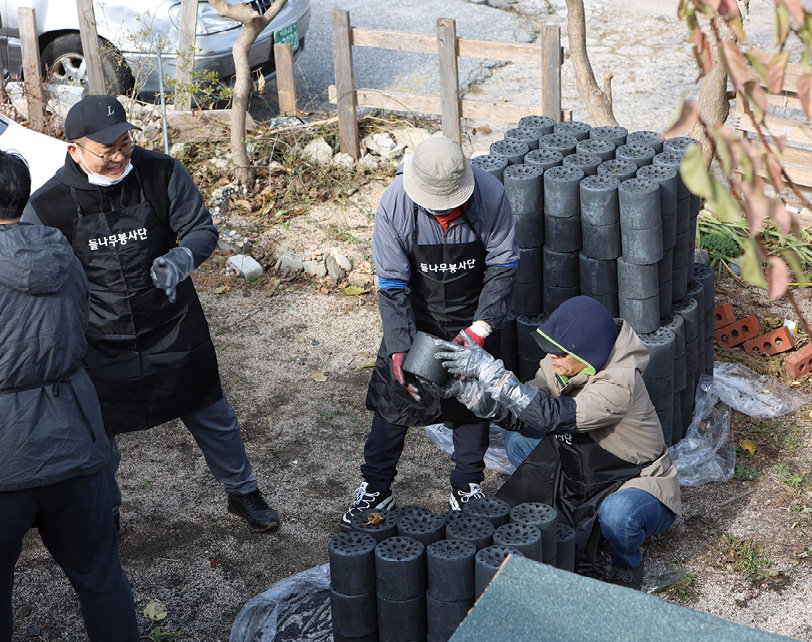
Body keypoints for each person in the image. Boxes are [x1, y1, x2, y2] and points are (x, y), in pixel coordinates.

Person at [21, 95, 278, 533]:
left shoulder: (161, 172)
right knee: (99, 435)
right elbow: (36, 274)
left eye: (125, 143)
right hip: (100, 339)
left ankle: (243, 491)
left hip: (172, 325)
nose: (121, 156)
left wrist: (181, 260)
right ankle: (108, 511)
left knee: (210, 411)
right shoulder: (49, 206)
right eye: (108, 151)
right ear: (74, 151)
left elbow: (200, 229)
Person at [436, 295, 681, 590]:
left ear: (588, 352)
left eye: (560, 353)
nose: (552, 357)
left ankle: (625, 562)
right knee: (517, 443)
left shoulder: (618, 385)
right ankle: (587, 514)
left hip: (635, 478)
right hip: (589, 464)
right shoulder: (562, 365)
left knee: (617, 516)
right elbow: (526, 413)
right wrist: (477, 399)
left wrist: (493, 375)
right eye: (550, 350)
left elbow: (553, 416)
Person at [342, 135, 518, 527]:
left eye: (452, 204)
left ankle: (466, 486)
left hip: (471, 313)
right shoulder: (395, 203)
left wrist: (480, 329)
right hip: (416, 314)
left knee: (472, 402)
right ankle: (376, 487)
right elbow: (392, 283)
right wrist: (401, 346)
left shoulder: (491, 196)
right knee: (395, 400)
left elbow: (504, 266)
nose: (444, 213)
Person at [0, 150, 139, 641]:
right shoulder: (63, 254)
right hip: (75, 438)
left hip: (7, 457)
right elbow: (82, 327)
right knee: (101, 579)